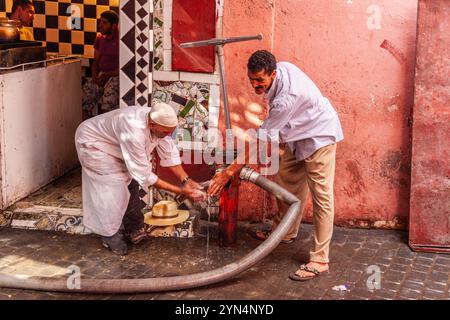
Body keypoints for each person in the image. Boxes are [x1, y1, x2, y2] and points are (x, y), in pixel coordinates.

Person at [208, 50, 344, 281]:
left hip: (319, 137)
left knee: (322, 198)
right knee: (287, 186)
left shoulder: (286, 98)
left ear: (273, 73)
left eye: (260, 80)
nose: (255, 85)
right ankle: (285, 233)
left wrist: (230, 171)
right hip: (297, 135)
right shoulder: (280, 68)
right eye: (251, 79)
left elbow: (261, 138)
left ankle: (320, 260)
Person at [75, 103, 206, 255]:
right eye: (166, 132)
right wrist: (181, 191)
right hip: (93, 144)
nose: (169, 135)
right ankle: (110, 234)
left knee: (131, 182)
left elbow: (169, 154)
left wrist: (186, 180)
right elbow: (144, 175)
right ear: (151, 124)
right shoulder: (134, 131)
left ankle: (133, 227)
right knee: (113, 186)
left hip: (114, 145)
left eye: (171, 132)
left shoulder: (161, 125)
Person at [82, 10, 120, 118]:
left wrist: (107, 75)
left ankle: (104, 131)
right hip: (101, 75)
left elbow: (123, 68)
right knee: (84, 98)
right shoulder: (99, 39)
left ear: (113, 25)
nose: (100, 25)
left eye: (104, 23)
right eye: (100, 22)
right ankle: (85, 128)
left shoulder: (121, 41)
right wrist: (94, 75)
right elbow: (95, 62)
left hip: (115, 76)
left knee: (108, 102)